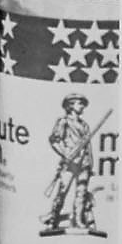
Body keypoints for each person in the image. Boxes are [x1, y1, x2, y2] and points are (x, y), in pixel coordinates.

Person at [44, 93, 97, 233]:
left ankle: (79, 221)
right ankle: (53, 220)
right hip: (69, 163)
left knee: (81, 193)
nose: (83, 107)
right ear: (71, 105)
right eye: (80, 103)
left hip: (83, 164)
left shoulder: (84, 125)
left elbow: (88, 147)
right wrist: (66, 154)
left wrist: (90, 164)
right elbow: (54, 140)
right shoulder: (64, 122)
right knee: (62, 192)